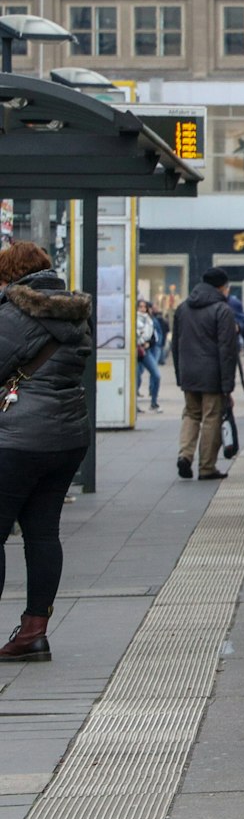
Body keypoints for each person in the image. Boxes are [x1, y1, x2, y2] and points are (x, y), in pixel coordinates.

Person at [0, 243, 94, 662]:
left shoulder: (15, 313)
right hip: (68, 437)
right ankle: (33, 631)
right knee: (42, 533)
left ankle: (29, 636)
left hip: (18, 439)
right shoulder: (74, 312)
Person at [170, 267, 241, 481]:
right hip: (213, 375)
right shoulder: (222, 310)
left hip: (189, 373)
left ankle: (185, 455)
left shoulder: (183, 308)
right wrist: (228, 385)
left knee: (191, 414)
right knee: (212, 417)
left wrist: (179, 374)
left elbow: (176, 344)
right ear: (222, 287)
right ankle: (207, 467)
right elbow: (227, 350)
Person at [135, 299, 163, 412]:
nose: (142, 309)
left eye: (144, 307)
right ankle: (134, 405)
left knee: (156, 375)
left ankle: (154, 402)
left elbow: (154, 337)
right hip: (136, 351)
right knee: (136, 378)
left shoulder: (150, 321)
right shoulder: (133, 319)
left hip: (145, 351)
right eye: (140, 307)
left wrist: (149, 343)